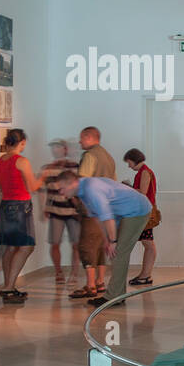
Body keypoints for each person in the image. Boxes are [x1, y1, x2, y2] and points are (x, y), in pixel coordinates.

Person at [53, 171, 150, 306]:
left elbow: (107, 217)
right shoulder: (83, 192)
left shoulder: (91, 189)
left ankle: (113, 297)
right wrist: (106, 240)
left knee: (119, 253)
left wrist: (113, 241)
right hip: (123, 213)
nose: (61, 193)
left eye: (62, 188)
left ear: (72, 183)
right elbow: (98, 218)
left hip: (137, 210)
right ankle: (118, 295)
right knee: (116, 253)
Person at [0, 129, 42, 303]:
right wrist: (43, 177)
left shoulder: (1, 160)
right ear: (21, 142)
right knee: (26, 246)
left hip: (5, 205)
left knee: (10, 247)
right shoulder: (21, 161)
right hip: (21, 207)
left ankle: (8, 286)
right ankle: (8, 287)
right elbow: (33, 187)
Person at [70, 126, 116, 300]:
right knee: (100, 245)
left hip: (92, 208)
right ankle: (100, 281)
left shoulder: (89, 156)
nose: (80, 141)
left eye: (82, 138)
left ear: (89, 137)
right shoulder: (108, 157)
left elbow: (82, 182)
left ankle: (90, 285)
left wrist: (78, 202)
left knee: (86, 245)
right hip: (106, 208)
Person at [39, 138, 81, 284]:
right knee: (55, 242)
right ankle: (58, 272)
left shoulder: (75, 167)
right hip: (55, 211)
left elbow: (79, 187)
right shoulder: (47, 168)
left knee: (76, 243)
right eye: (53, 147)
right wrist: (43, 208)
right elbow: (43, 190)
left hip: (73, 211)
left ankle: (74, 273)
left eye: (58, 147)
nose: (55, 150)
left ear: (65, 149)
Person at [123, 148, 157, 285]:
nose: (129, 165)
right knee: (147, 242)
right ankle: (145, 274)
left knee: (148, 243)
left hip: (145, 211)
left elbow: (142, 192)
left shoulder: (144, 172)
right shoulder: (143, 171)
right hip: (144, 210)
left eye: (129, 162)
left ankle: (146, 275)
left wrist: (127, 188)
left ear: (134, 159)